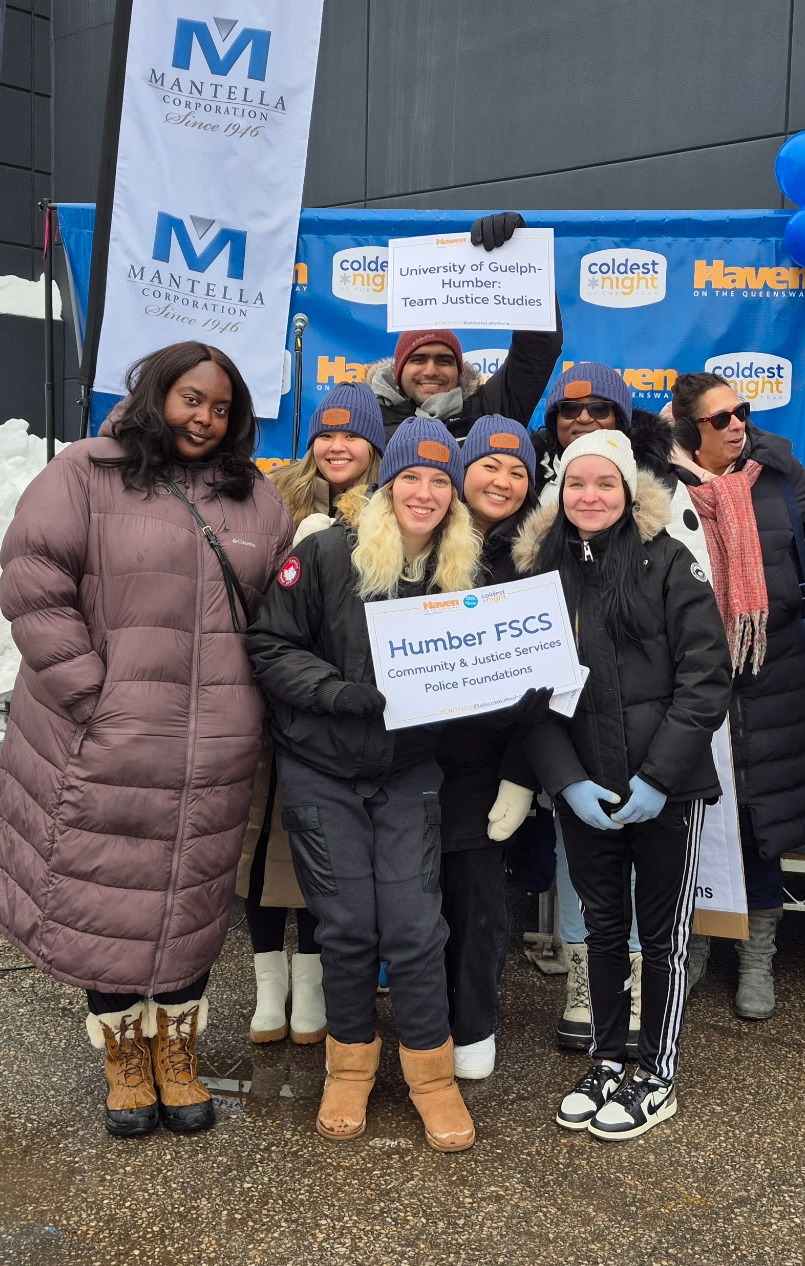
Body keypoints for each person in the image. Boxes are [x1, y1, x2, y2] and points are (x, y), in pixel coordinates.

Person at [0, 341, 294, 1137]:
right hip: (109, 743)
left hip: (215, 751)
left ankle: (177, 1049)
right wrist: (94, 697)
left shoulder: (258, 500)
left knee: (190, 900)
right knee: (109, 899)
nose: (205, 418)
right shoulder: (84, 475)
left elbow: (276, 618)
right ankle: (124, 1055)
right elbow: (33, 582)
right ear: (156, 394)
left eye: (222, 407)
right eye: (191, 399)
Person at [246, 416, 481, 1152]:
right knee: (346, 928)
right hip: (322, 769)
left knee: (414, 928)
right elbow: (269, 644)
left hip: (409, 771)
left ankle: (431, 1079)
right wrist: (336, 692)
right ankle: (347, 1068)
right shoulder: (322, 554)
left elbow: (489, 666)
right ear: (386, 484)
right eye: (411, 476)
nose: (425, 491)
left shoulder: (463, 573)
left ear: (455, 495)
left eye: (441, 480)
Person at [513, 429, 732, 1140]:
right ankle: (609, 1059)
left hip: (664, 789)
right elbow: (530, 697)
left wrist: (659, 776)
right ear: (560, 493)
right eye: (578, 483)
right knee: (605, 929)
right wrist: (566, 781)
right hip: (587, 792)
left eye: (606, 483)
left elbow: (705, 682)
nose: (591, 496)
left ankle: (657, 1074)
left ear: (630, 492)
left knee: (663, 936)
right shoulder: (541, 577)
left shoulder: (671, 563)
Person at [670, 372, 805, 1020]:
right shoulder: (664, 489)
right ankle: (690, 949)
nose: (737, 424)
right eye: (720, 419)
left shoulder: (773, 476)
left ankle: (757, 958)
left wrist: (792, 470)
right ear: (689, 430)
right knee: (691, 824)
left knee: (761, 825)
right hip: (693, 688)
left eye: (741, 412)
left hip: (770, 680)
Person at [532, 362, 679, 1051]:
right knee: (583, 871)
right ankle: (589, 988)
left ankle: (649, 1009)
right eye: (571, 411)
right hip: (574, 743)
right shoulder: (543, 540)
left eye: (600, 410)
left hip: (656, 749)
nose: (584, 420)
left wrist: (663, 768)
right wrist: (562, 772)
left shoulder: (669, 532)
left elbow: (701, 662)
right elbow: (528, 672)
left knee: (654, 896)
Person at [236, 381, 387, 1046]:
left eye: (351, 433)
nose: (336, 444)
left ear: (375, 444)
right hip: (265, 694)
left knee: (313, 855)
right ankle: (269, 987)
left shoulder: (388, 509)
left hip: (337, 712)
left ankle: (312, 985)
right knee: (258, 846)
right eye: (326, 433)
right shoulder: (272, 500)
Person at [439, 414, 541, 1081]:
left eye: (517, 469)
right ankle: (414, 1021)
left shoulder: (538, 556)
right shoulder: (420, 538)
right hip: (410, 756)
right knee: (411, 900)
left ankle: (472, 1025)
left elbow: (552, 678)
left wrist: (521, 772)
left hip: (490, 761)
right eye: (488, 464)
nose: (501, 479)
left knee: (476, 898)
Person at [367, 213, 563, 441]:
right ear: (398, 371)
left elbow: (537, 349)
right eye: (418, 359)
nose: (431, 370)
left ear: (459, 372)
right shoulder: (368, 419)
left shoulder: (487, 411)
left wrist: (522, 251)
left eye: (444, 360)